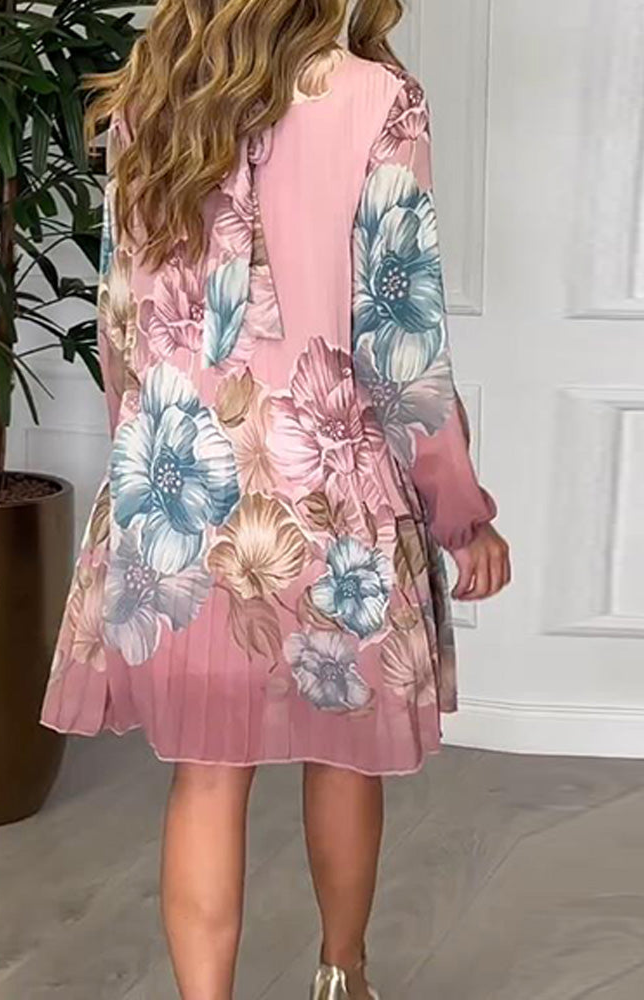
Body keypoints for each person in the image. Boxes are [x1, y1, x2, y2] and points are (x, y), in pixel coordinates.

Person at [40, 1, 511, 997]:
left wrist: (139, 460)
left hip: (174, 487)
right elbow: (401, 341)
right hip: (323, 484)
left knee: (205, 775)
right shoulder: (378, 98)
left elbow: (120, 317)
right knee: (343, 754)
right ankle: (342, 977)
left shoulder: (151, 98)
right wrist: (459, 510)